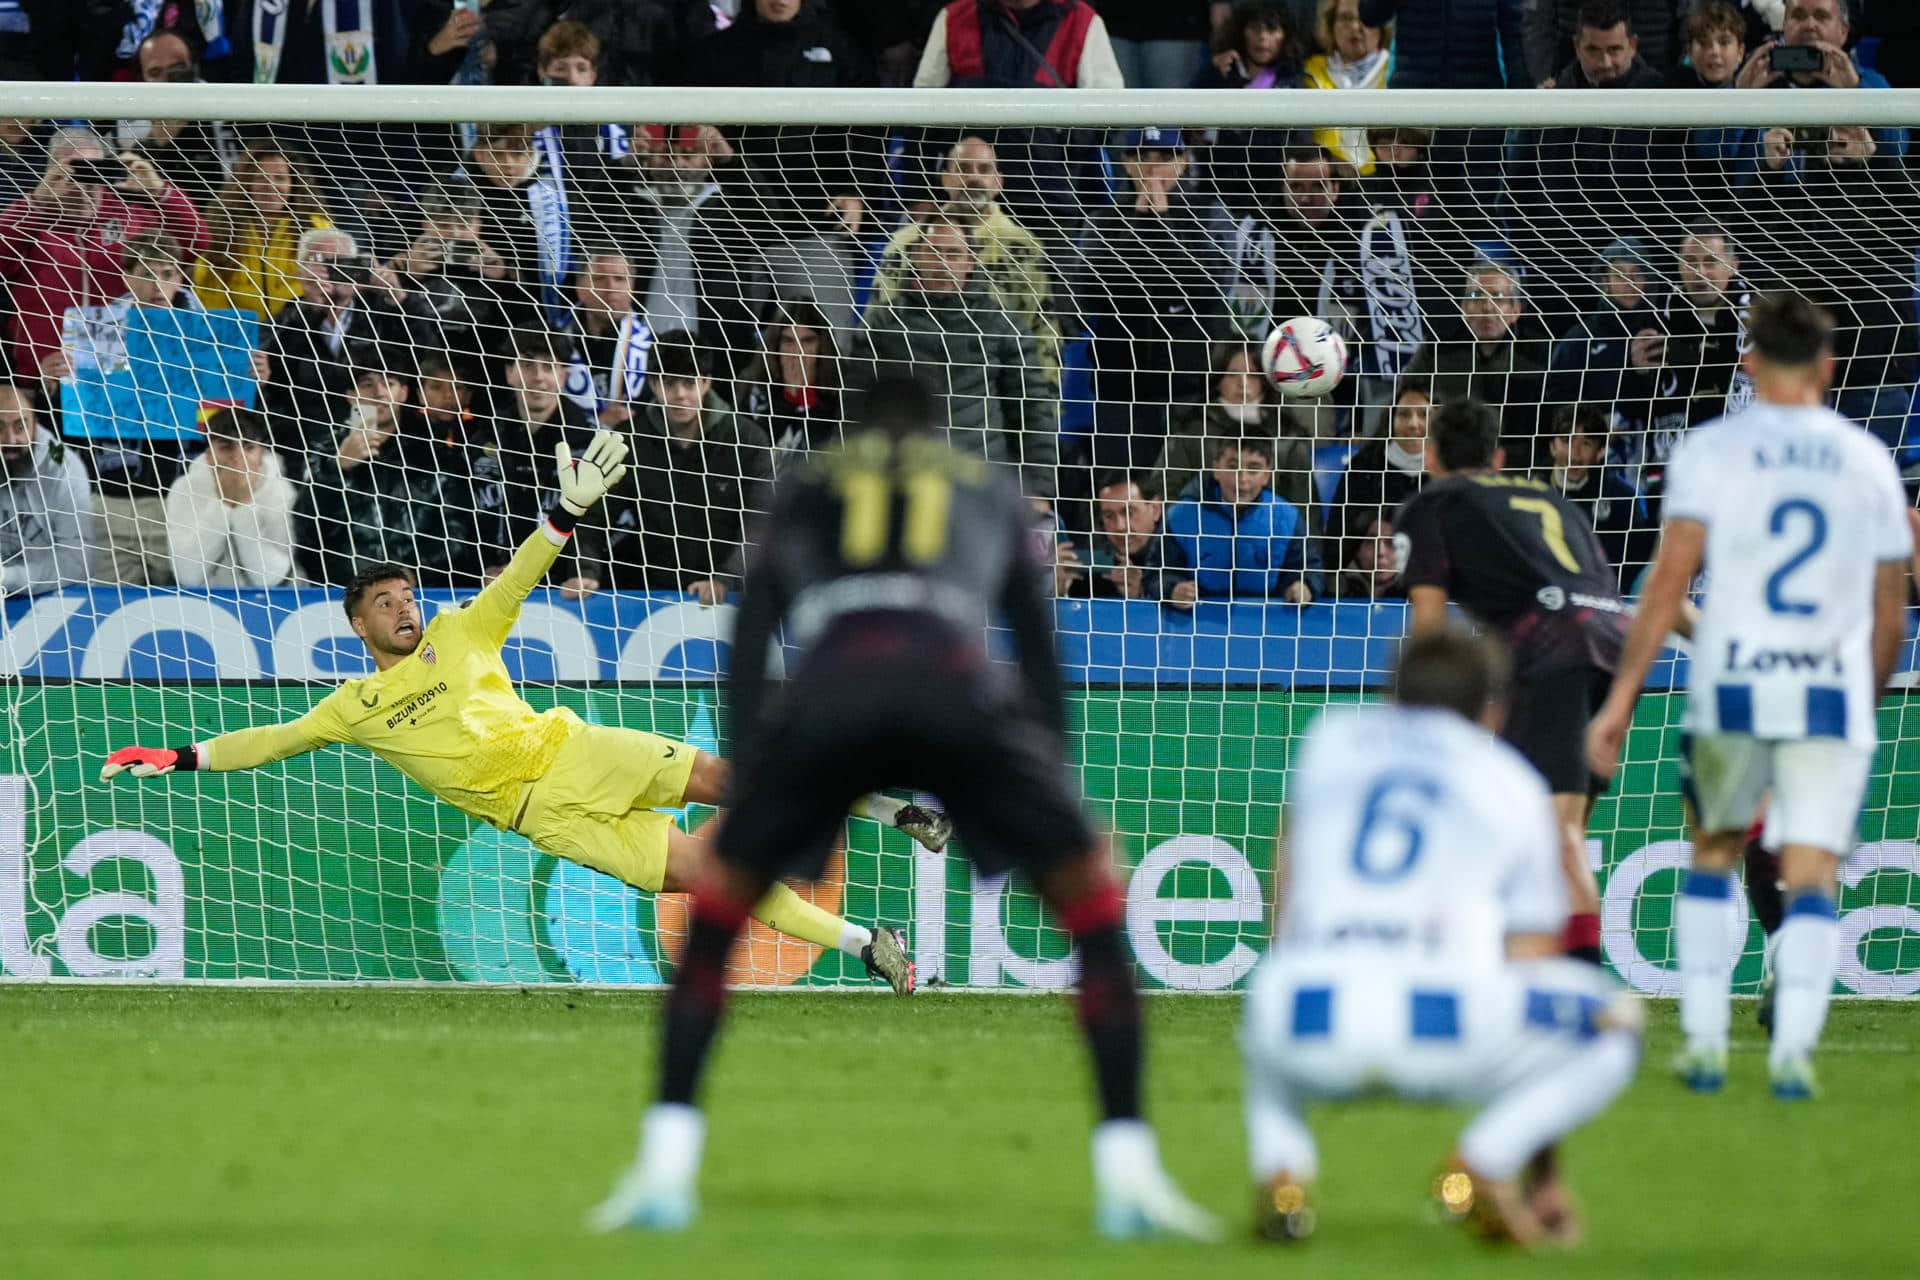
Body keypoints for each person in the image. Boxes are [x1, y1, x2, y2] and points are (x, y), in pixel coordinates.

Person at [587, 379, 1218, 1240]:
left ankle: (662, 1170)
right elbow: (1036, 640)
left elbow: (749, 627)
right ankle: (1130, 1174)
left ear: (858, 426)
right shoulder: (982, 480)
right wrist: (1055, 782)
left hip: (830, 695)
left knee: (715, 920)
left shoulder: (807, 480)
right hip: (954, 690)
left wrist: (754, 766)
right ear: (936, 426)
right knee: (1095, 911)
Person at [102, 431, 921, 1004]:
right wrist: (179, 756)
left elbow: (519, 578)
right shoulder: (352, 708)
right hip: (545, 816)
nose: (403, 608)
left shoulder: (461, 631)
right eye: (384, 603)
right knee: (717, 881)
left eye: (405, 596)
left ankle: (892, 809)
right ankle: (868, 946)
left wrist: (564, 514)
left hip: (570, 752)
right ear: (358, 626)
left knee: (730, 784)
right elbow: (269, 740)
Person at [1587, 293, 1910, 1100]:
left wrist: (1622, 697)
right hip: (1828, 692)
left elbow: (1668, 581)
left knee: (1715, 853)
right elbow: (1890, 607)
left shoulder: (1712, 450)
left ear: (1748, 360)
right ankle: (1794, 1052)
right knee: (1809, 872)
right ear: (1829, 366)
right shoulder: (1866, 459)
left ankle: (1702, 1042)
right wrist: (1862, 699)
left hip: (1732, 679)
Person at [1244, 629, 1642, 1246]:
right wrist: (1548, 1173)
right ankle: (1483, 1163)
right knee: (1615, 1021)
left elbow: (1289, 868)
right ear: (1493, 709)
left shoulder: (1331, 740)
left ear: (1389, 692)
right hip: (1444, 1028)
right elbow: (1531, 955)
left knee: (1269, 1009)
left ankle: (1283, 1174)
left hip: (1307, 1017)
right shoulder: (1512, 782)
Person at [1398, 398, 1639, 966]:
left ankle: (1579, 996)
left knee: (1554, 838)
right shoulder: (1548, 497)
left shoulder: (1431, 505)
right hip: (1613, 646)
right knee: (1552, 831)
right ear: (1498, 457)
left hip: (1549, 652)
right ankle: (1535, 972)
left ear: (1430, 456)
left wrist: (1422, 721)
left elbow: (1429, 625)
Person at [858, 219, 1059, 500]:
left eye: (953, 254)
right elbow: (854, 407)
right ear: (916, 257)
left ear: (970, 262)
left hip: (982, 485)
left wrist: (1039, 490)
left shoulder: (1002, 326)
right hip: (900, 483)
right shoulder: (882, 324)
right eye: (934, 252)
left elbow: (1032, 412)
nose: (943, 263)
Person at [0, 126, 207, 386]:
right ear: (52, 172)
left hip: (125, 381)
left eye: (93, 171)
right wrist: (38, 200)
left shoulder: (132, 218)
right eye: (75, 173)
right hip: (44, 380)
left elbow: (196, 242)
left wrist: (159, 191)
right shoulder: (30, 223)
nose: (85, 185)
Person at [579, 334, 775, 604]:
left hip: (734, 598)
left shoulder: (748, 439)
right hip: (655, 597)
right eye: (669, 383)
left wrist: (726, 579)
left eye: (689, 382)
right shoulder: (629, 441)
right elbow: (593, 518)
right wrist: (585, 571)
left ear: (707, 382)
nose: (680, 394)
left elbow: (760, 522)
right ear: (653, 384)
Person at [878, 137, 1060, 382]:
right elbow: (878, 325)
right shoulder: (903, 244)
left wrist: (1047, 405)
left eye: (984, 170)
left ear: (999, 182)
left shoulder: (1025, 248)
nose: (973, 178)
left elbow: (1043, 329)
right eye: (963, 169)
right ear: (945, 179)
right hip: (915, 386)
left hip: (1002, 386)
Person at [1404, 260, 1549, 451]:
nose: (1487, 307)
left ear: (1515, 310)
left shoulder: (1542, 354)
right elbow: (1404, 402)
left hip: (1519, 462)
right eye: (1476, 296)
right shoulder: (1436, 349)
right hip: (1449, 457)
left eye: (1498, 297)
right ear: (1464, 308)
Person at [1164, 434, 1313, 605]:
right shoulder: (1182, 515)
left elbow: (1309, 569)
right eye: (1233, 466)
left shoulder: (1287, 517)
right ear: (1216, 468)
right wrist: (1172, 589)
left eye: (1253, 469)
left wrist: (1305, 586)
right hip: (1197, 620)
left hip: (1269, 621)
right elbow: (1157, 573)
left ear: (1267, 475)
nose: (1242, 479)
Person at [192, 145, 333, 322]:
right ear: (246, 183)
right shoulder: (220, 231)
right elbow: (211, 299)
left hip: (306, 336)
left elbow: (335, 292)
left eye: (280, 178)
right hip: (243, 339)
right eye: (261, 178)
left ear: (294, 184)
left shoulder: (318, 230)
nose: (270, 186)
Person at [164, 405, 298, 588]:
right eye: (226, 447)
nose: (238, 458)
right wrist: (224, 504)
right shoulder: (184, 489)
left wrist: (243, 505)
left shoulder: (281, 491)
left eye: (249, 447)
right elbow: (188, 576)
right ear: (209, 454)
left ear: (262, 454)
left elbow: (270, 579)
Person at [0, 381, 93, 597]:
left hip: (52, 601)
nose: (10, 440)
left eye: (20, 426)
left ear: (35, 424)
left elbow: (78, 563)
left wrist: (7, 578)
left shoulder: (63, 467)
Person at [1540, 404, 1649, 587]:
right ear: (1552, 446)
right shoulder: (1531, 493)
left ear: (1600, 452)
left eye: (1586, 444)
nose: (1574, 455)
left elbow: (1638, 561)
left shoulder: (1623, 498)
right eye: (1567, 441)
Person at [1060, 471, 1192, 603]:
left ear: (1155, 509)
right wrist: (1058, 590)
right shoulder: (1094, 561)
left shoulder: (1185, 553)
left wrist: (1141, 594)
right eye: (1109, 516)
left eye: (1129, 512)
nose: (1120, 526)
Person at [1329, 379, 1429, 550]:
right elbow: (1337, 542)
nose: (1413, 424)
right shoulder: (1363, 467)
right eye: (1404, 414)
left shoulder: (1454, 471)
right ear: (1391, 419)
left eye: (1424, 415)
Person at [1303, 0, 1393, 174]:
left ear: (1381, 27)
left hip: (1385, 180)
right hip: (1325, 181)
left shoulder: (1395, 72)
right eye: (1345, 18)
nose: (1355, 26)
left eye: (1364, 19)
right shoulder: (1309, 73)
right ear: (1331, 26)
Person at [1528, 0, 1676, 83]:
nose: (1605, 62)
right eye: (1594, 50)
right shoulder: (1556, 96)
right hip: (1566, 77)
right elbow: (1539, 22)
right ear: (1577, 47)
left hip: (1660, 71)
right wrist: (1544, 77)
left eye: (1613, 49)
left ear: (1633, 45)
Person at [1192, 1, 1305, 89]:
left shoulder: (1293, 77)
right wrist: (1211, 71)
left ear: (1286, 36)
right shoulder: (1219, 72)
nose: (1262, 36)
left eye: (1271, 29)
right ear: (1241, 32)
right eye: (1255, 28)